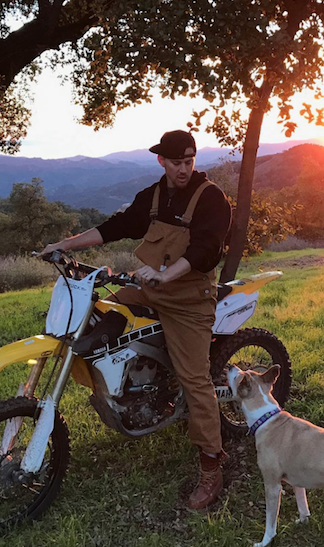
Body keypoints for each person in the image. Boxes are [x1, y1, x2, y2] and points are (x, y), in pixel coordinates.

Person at [40, 130, 232, 509]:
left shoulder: (211, 199)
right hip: (149, 288)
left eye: (189, 161)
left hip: (190, 300)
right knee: (98, 317)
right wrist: (63, 246)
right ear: (162, 160)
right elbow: (117, 226)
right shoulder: (155, 195)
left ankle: (212, 467)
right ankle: (133, 387)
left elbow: (207, 249)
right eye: (176, 162)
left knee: (195, 379)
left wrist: (165, 274)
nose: (183, 168)